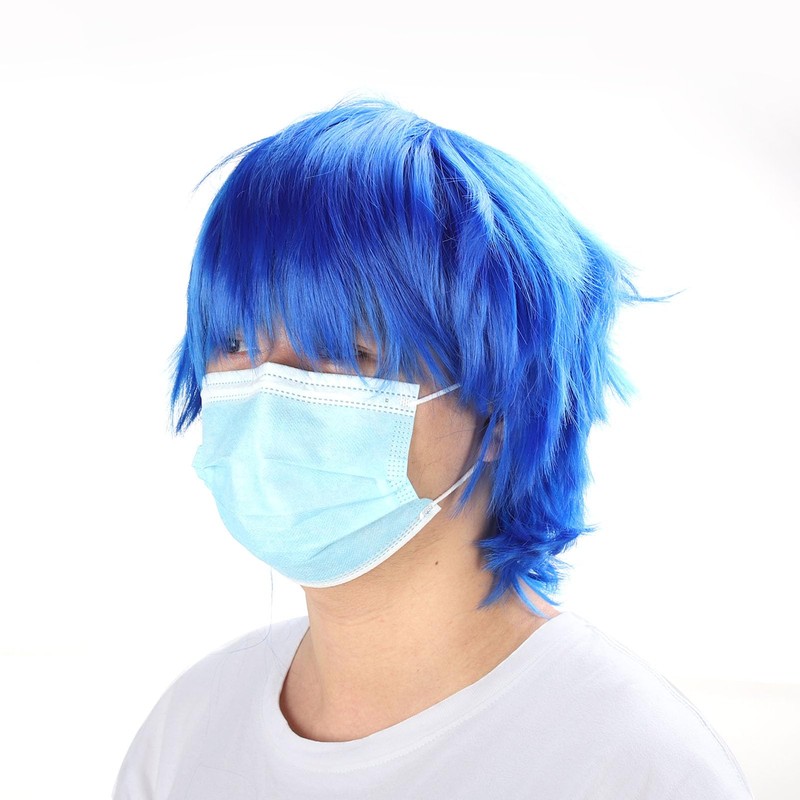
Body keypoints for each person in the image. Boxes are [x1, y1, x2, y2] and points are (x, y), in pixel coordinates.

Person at [112, 97, 754, 799]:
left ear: (501, 405)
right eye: (235, 342)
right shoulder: (189, 731)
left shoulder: (636, 767)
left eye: (344, 348)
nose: (272, 389)